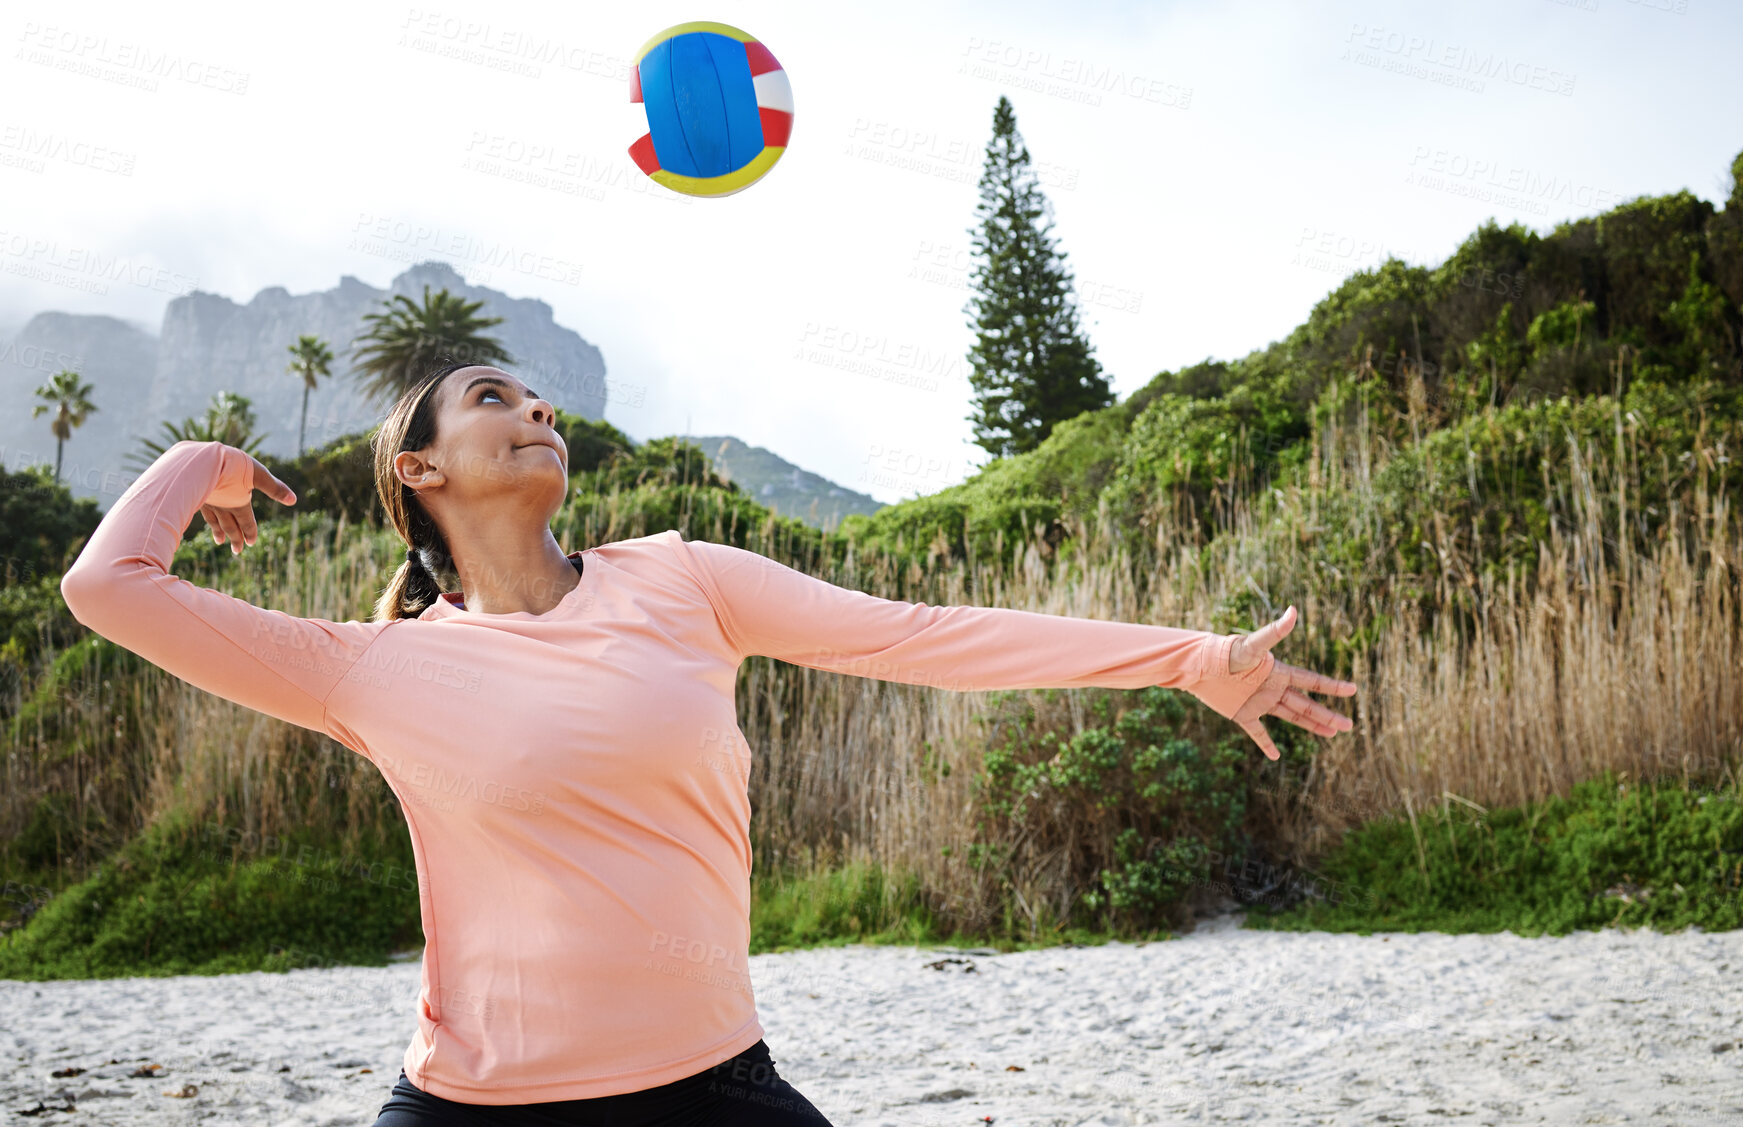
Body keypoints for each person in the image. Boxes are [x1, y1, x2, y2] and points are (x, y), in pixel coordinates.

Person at [58, 361, 1358, 1125]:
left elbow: (919, 635)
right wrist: (199, 460)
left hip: (713, 1093)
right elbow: (108, 587)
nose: (535, 409)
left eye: (539, 395)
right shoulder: (372, 668)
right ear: (419, 474)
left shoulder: (681, 581)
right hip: (472, 1111)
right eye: (492, 398)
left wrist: (1189, 660)